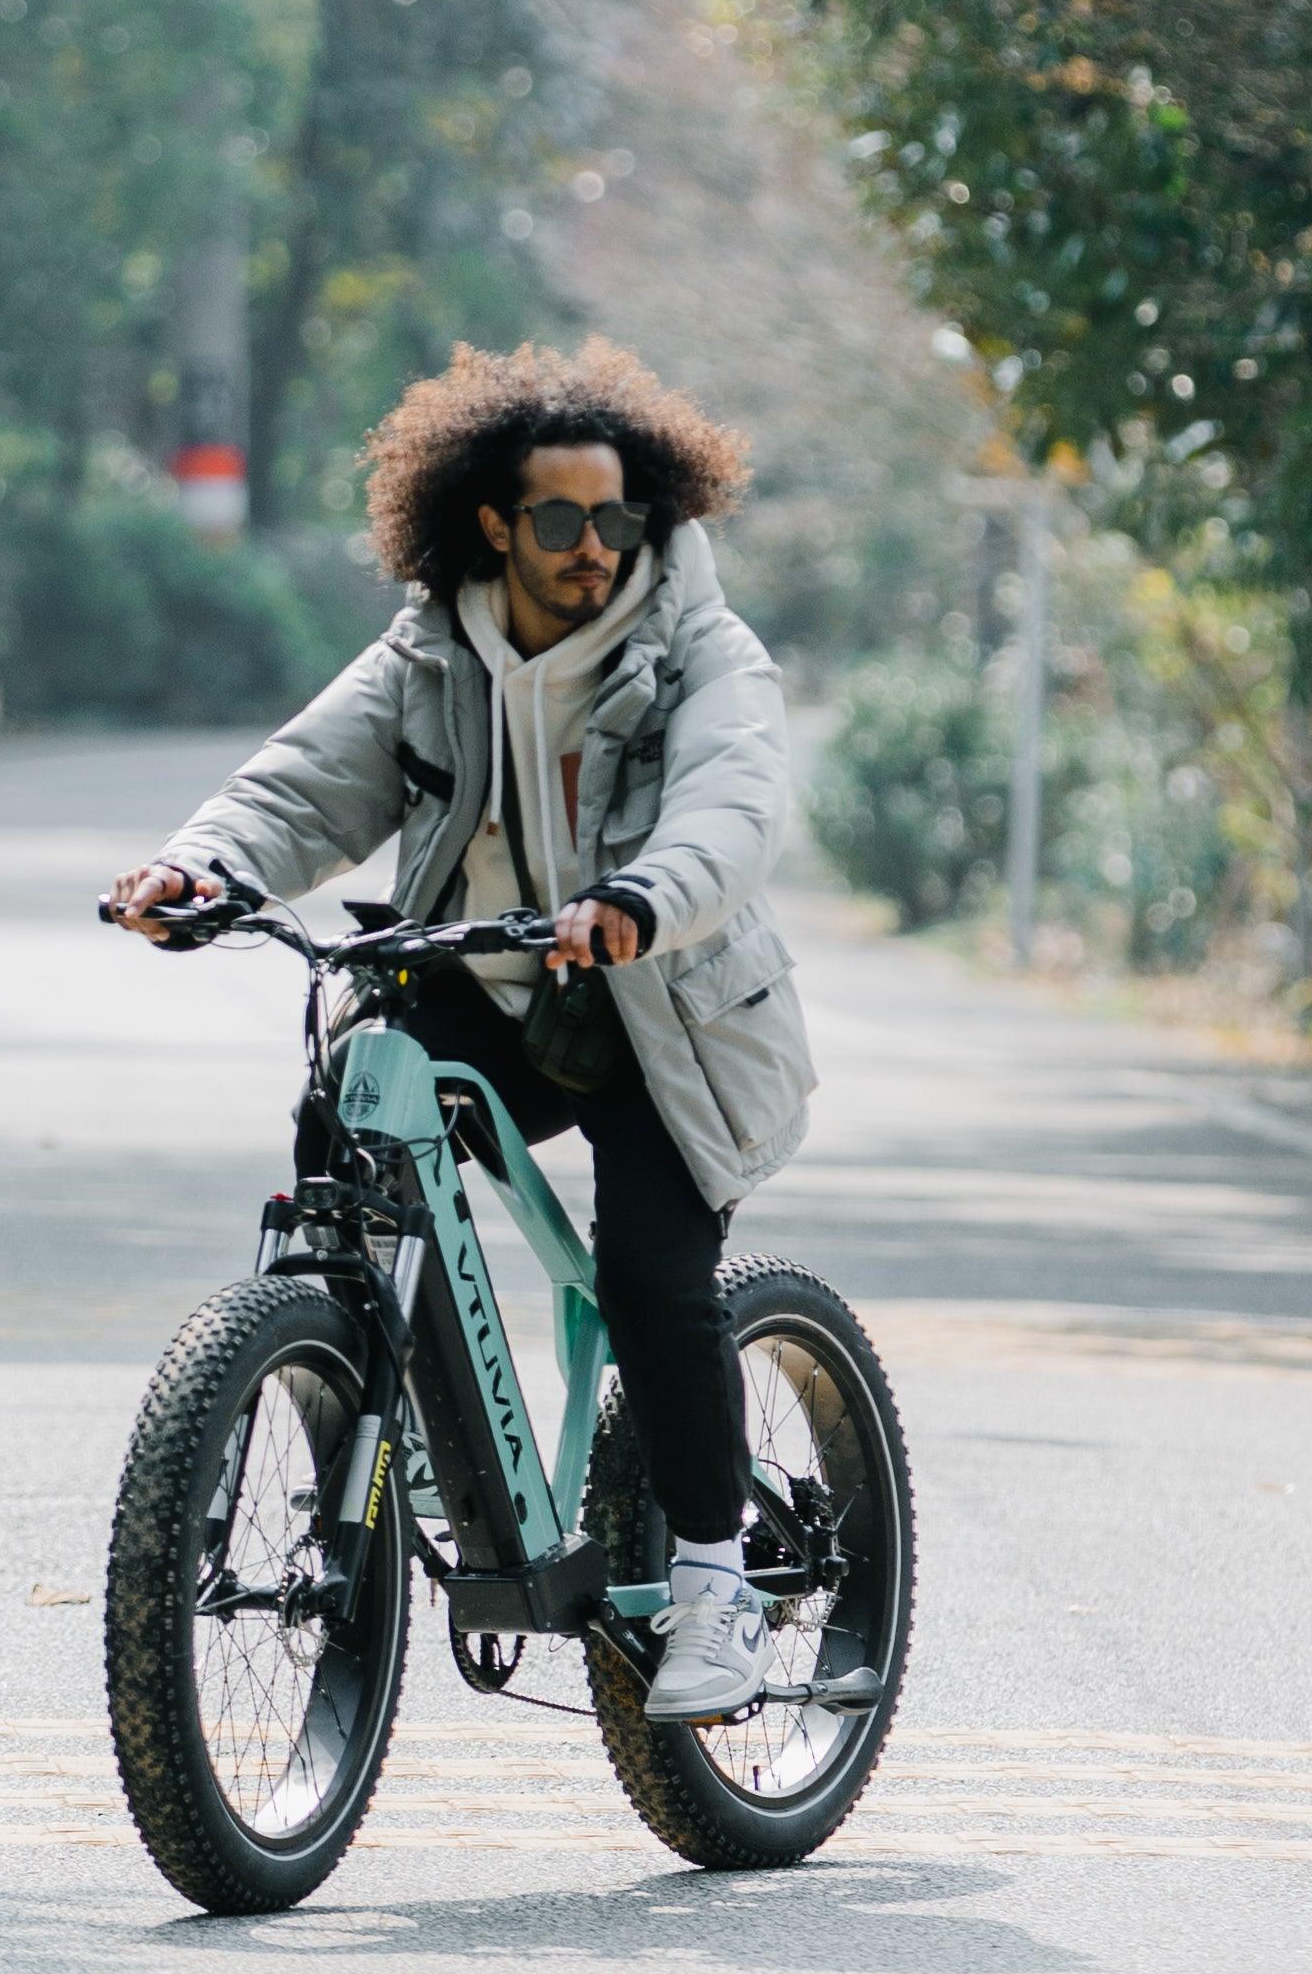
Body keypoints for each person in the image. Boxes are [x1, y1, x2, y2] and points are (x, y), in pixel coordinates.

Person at [114, 338, 813, 1720]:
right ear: (494, 521)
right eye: (563, 521)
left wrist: (636, 897)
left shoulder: (701, 653)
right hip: (486, 983)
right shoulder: (437, 648)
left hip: (652, 1009)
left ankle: (718, 1578)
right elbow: (305, 783)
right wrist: (203, 870)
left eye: (620, 520)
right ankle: (361, 1377)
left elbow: (734, 807)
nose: (597, 549)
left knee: (653, 1278)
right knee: (351, 1098)